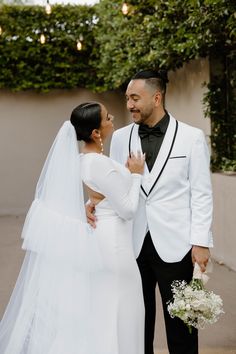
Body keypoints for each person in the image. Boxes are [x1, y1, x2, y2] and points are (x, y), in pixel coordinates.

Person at [0, 102, 145, 354]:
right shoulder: (100, 163)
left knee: (107, 314)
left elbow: (100, 196)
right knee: (124, 312)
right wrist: (136, 174)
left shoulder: (86, 161)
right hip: (115, 248)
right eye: (108, 117)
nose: (112, 119)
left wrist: (88, 204)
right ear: (96, 133)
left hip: (104, 241)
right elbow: (128, 209)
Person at [87, 70, 213, 354]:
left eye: (135, 98)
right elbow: (112, 184)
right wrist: (90, 203)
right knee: (135, 325)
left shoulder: (191, 137)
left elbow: (202, 193)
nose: (129, 105)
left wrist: (202, 241)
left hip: (177, 244)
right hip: (131, 244)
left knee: (182, 326)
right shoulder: (119, 138)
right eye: (127, 98)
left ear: (156, 98)